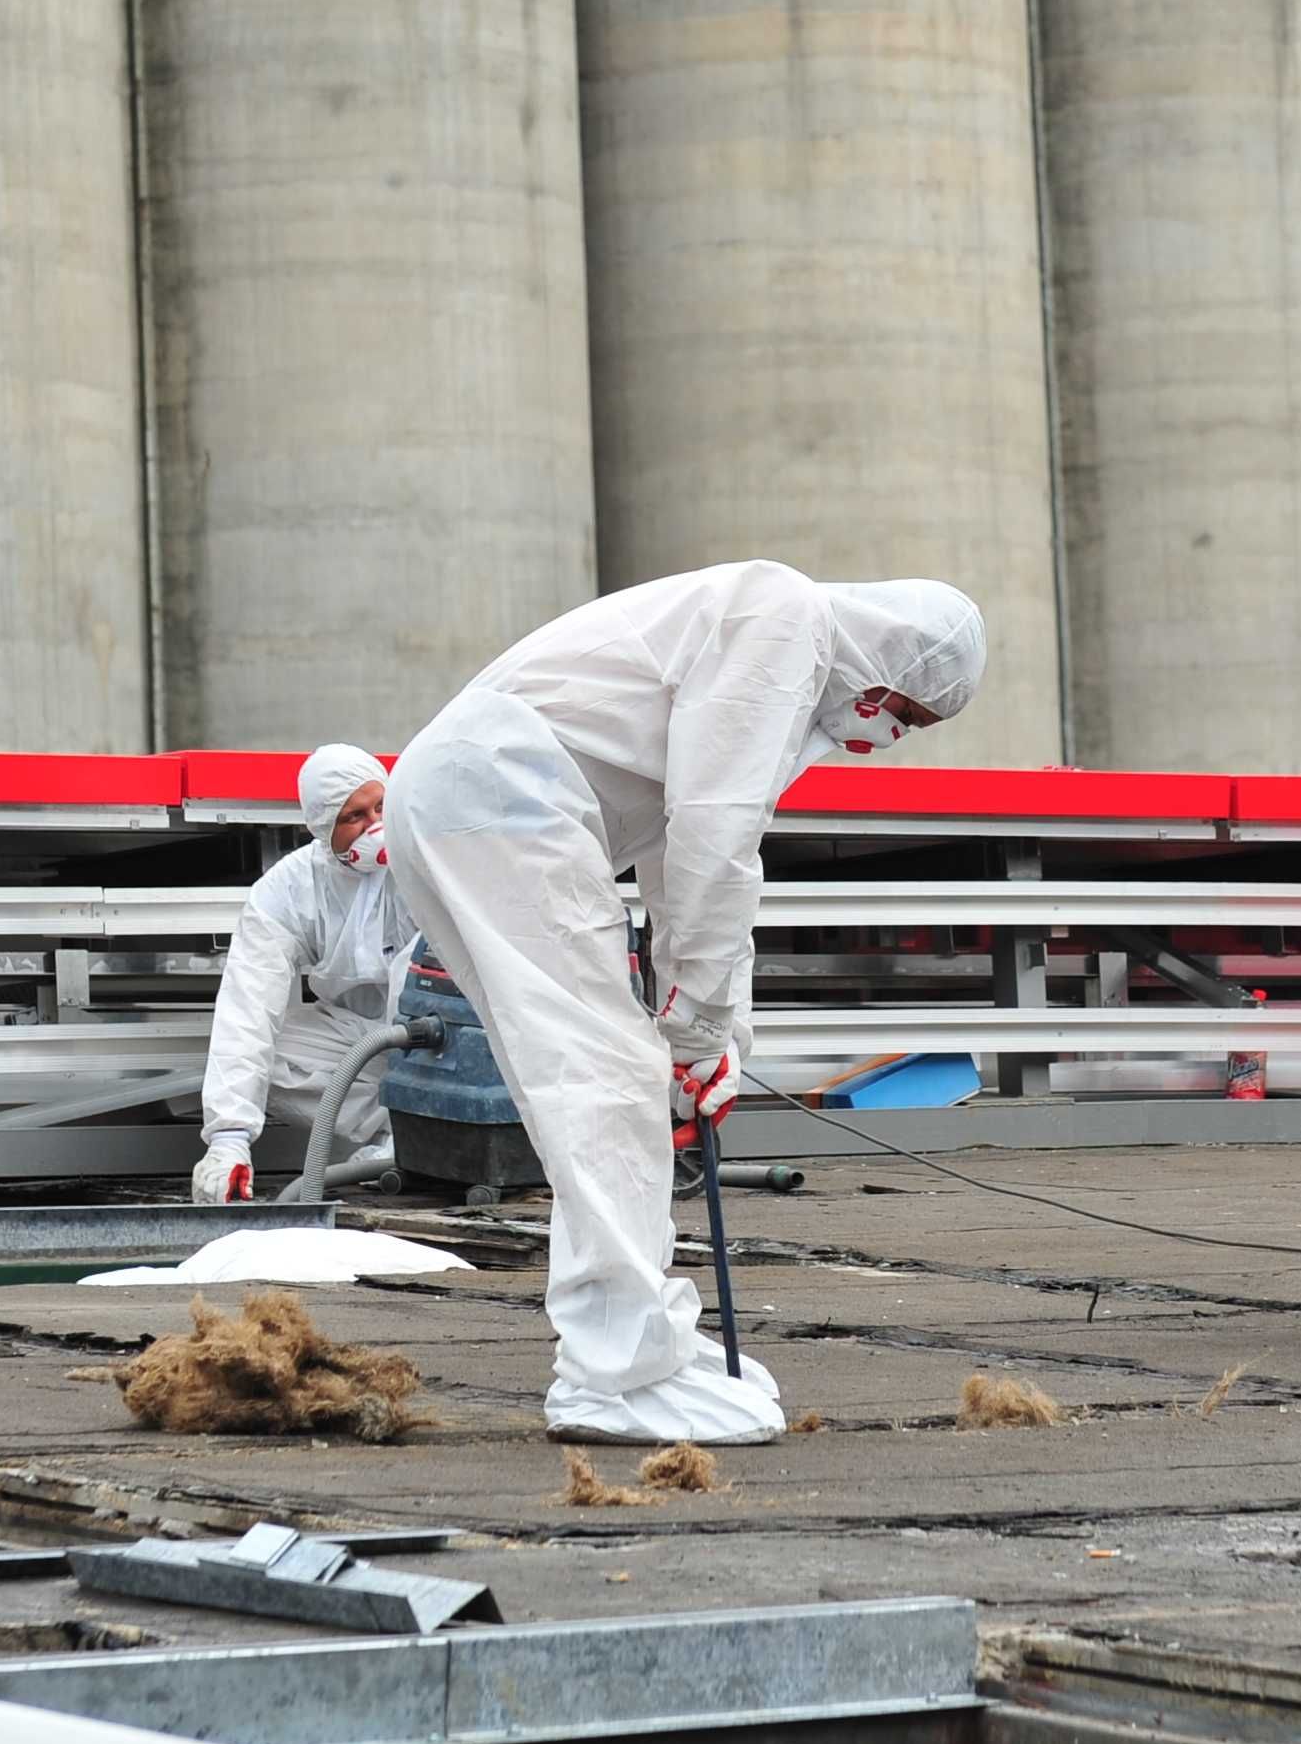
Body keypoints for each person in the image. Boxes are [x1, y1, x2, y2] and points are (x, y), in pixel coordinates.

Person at [385, 565, 984, 1447]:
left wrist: (710, 1036)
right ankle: (615, 1375)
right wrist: (693, 1027)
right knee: (606, 1074)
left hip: (472, 798)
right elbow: (715, 839)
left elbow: (680, 851)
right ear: (888, 660)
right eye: (903, 711)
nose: (889, 734)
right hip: (502, 799)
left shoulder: (775, 647)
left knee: (597, 1071)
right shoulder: (784, 623)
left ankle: (642, 1346)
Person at [192, 742, 415, 1204]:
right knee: (271, 1054)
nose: (375, 826)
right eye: (353, 817)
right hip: (367, 1042)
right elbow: (248, 1006)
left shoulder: (426, 861)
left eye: (381, 805)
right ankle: (402, 1140)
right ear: (320, 826)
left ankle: (425, 1136)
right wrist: (228, 1139)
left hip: (447, 1043)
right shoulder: (288, 890)